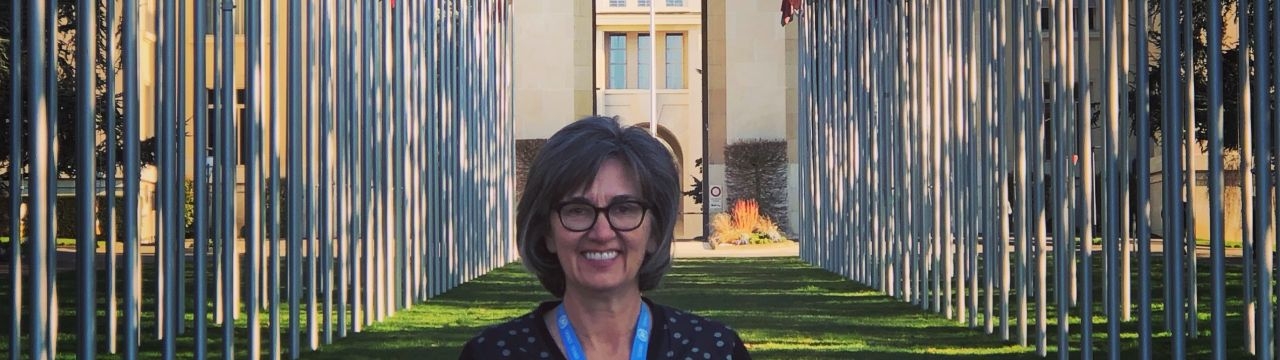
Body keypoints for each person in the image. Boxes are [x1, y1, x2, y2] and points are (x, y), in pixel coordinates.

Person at [461, 116, 750, 359]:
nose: (601, 233)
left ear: (654, 231)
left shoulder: (715, 350)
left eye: (624, 209)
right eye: (577, 210)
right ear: (547, 232)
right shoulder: (492, 354)